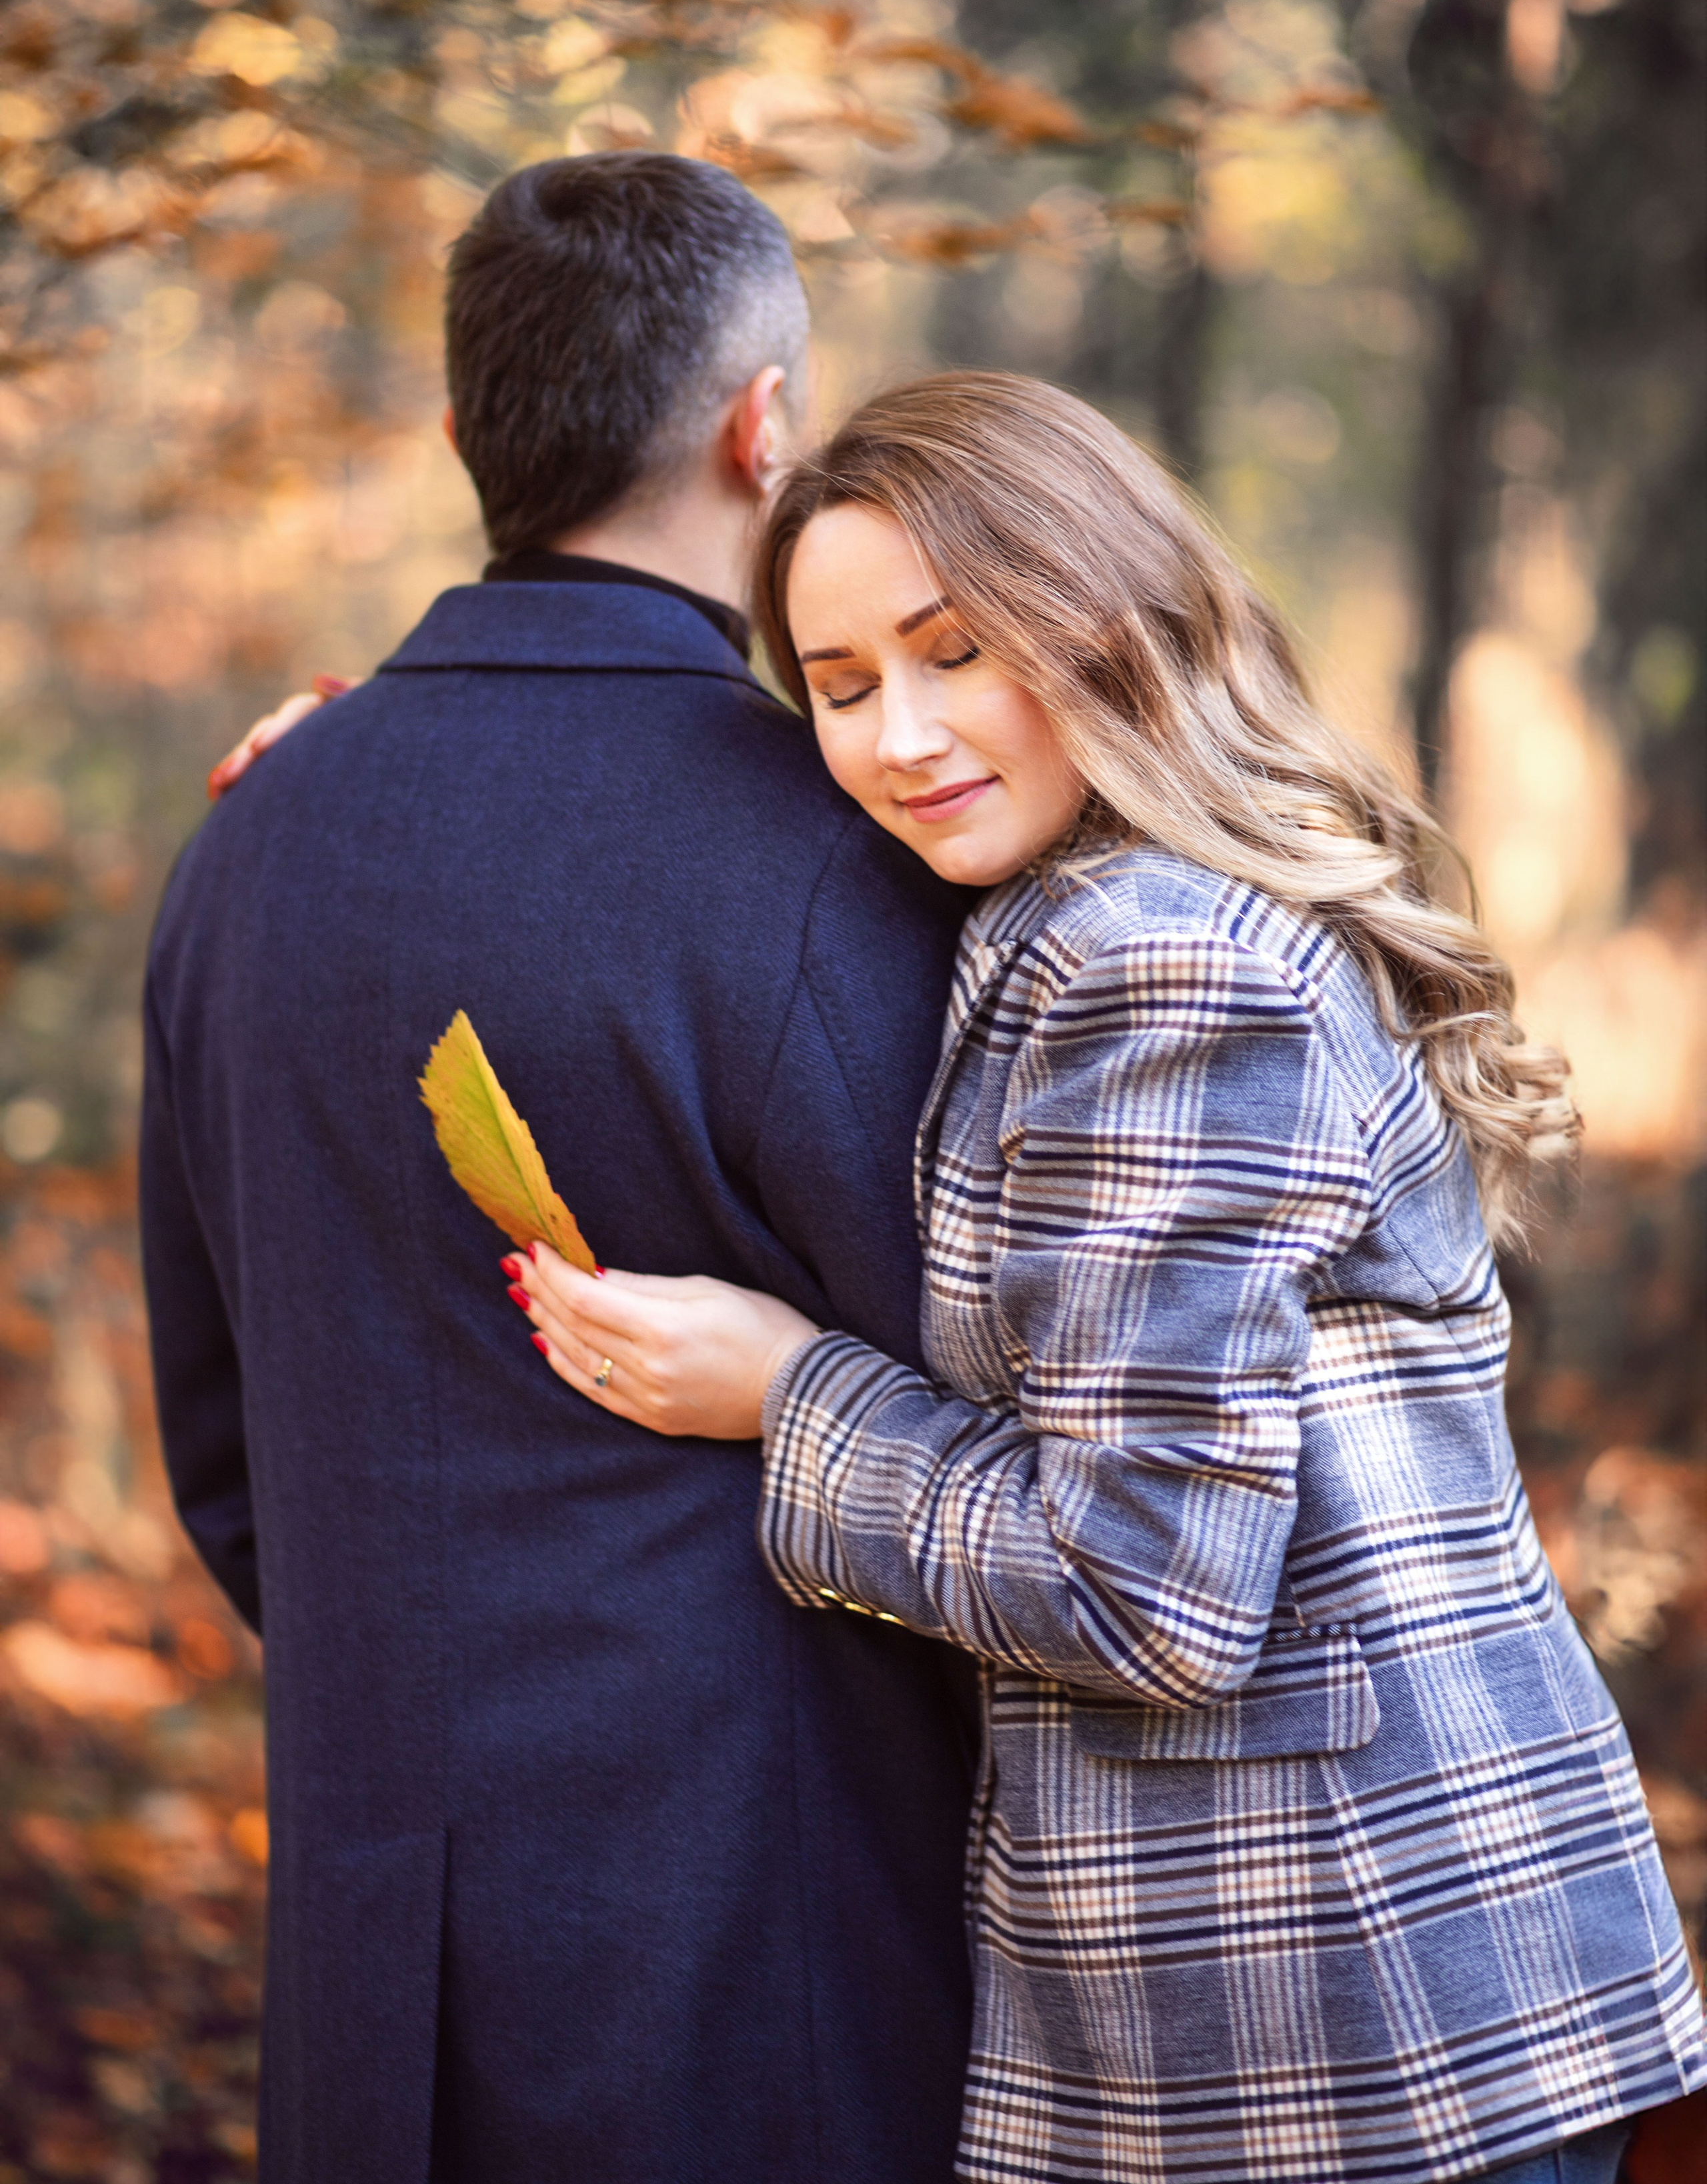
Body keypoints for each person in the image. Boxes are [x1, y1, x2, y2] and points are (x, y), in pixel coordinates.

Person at [511, 371, 1707, 2184]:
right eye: (839, 686)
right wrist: (382, 758)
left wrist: (787, 1395)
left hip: (1354, 2015)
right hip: (1326, 2007)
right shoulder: (1077, 913)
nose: (900, 733)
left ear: (1104, 623)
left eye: (955, 650)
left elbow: (1146, 1589)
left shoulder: (1163, 962)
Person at [141, 155, 982, 2183]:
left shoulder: (245, 842)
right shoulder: (843, 856)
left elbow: (230, 1457)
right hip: (776, 1973)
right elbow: (1005, 1433)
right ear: (761, 425)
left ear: (462, 438)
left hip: (370, 1979)